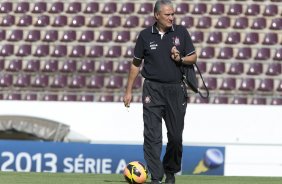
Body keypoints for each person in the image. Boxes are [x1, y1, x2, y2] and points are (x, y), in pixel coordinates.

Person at [123, 0, 197, 183]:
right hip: (152, 90)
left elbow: (193, 57)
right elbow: (135, 65)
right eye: (168, 14)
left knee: (176, 137)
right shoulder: (145, 36)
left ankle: (170, 171)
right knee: (152, 136)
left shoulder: (181, 32)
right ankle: (156, 177)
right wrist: (128, 91)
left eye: (173, 14)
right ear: (157, 15)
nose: (172, 17)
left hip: (176, 90)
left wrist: (180, 58)